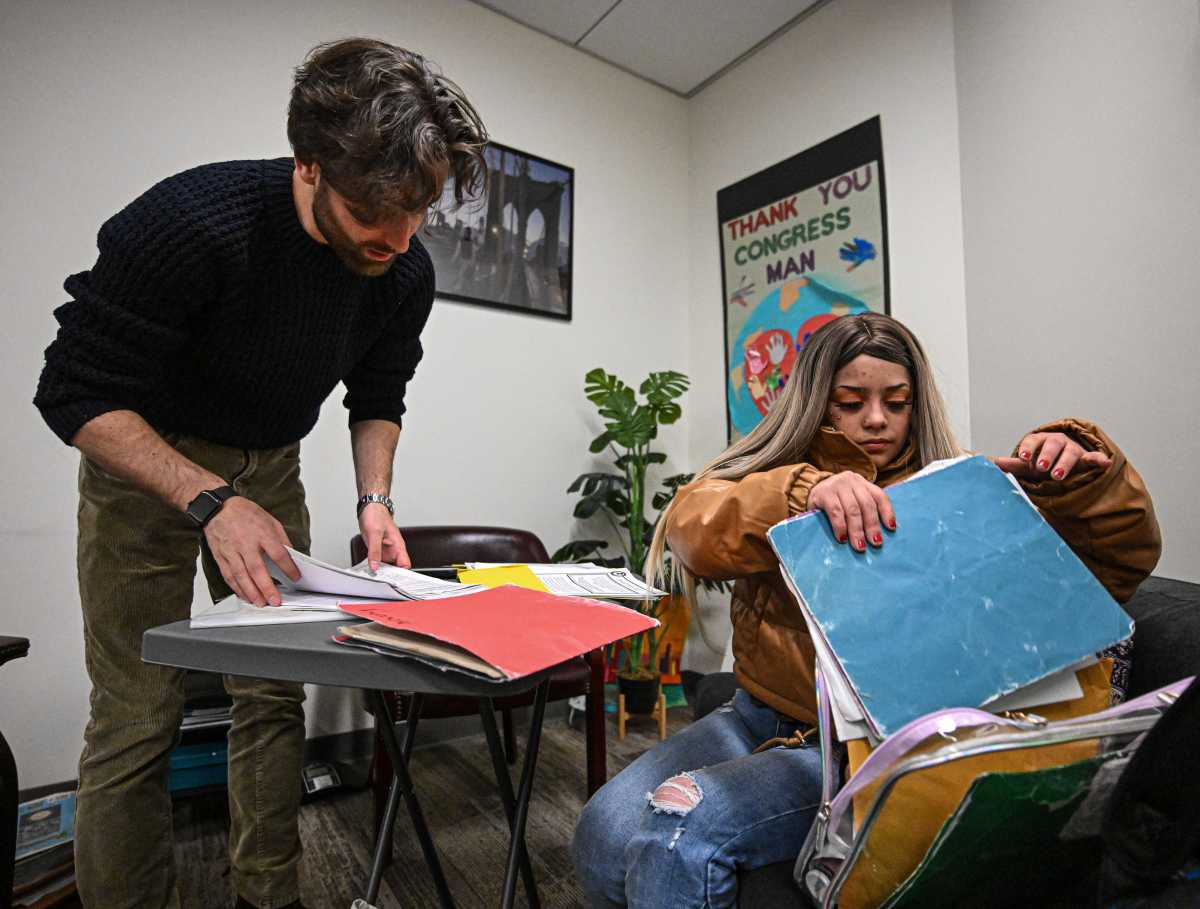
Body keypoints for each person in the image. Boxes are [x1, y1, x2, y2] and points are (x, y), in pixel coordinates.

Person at [33, 38, 487, 909]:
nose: (397, 239)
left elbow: (379, 393)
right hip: (147, 467)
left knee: (274, 693)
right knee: (137, 712)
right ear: (308, 164)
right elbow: (73, 393)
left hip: (272, 464)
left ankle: (267, 895)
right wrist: (210, 500)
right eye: (372, 211)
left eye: (418, 212)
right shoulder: (188, 224)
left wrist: (376, 500)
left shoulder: (403, 268)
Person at [572, 312, 1160, 908]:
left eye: (896, 402)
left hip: (862, 754)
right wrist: (802, 493)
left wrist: (1080, 478)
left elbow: (1114, 567)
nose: (876, 418)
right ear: (815, 402)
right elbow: (693, 529)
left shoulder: (955, 490)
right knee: (601, 833)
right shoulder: (779, 479)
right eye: (850, 402)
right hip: (755, 718)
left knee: (680, 833)